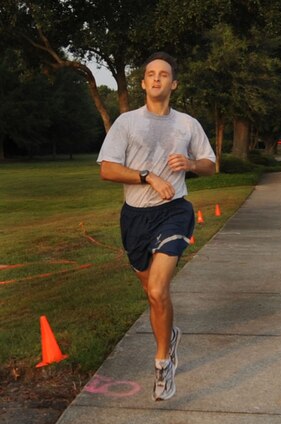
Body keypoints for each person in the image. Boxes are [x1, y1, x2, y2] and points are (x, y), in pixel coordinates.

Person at [97, 52, 216, 401]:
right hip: (134, 217)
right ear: (143, 82)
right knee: (152, 294)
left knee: (158, 291)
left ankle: (163, 363)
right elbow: (107, 169)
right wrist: (147, 176)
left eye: (164, 74)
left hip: (174, 211)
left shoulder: (187, 124)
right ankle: (170, 335)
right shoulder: (126, 123)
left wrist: (192, 163)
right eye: (150, 74)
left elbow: (211, 165)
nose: (156, 79)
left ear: (173, 83)